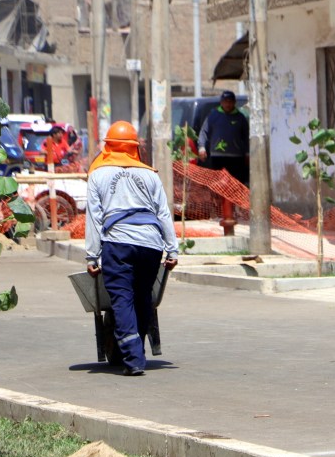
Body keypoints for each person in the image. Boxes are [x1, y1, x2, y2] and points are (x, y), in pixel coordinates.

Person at [85, 121, 179, 376]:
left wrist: (92, 255)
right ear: (135, 148)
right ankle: (137, 351)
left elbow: (94, 218)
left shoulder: (98, 175)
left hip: (118, 243)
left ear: (108, 147)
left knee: (122, 298)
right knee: (142, 296)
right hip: (151, 243)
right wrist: (172, 250)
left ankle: (134, 358)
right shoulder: (150, 175)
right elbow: (162, 212)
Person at [197, 90, 250, 185]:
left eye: (230, 101)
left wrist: (247, 153)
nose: (228, 104)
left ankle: (232, 200)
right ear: (221, 102)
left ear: (234, 103)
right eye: (225, 101)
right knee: (218, 184)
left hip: (236, 158)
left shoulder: (240, 118)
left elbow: (246, 136)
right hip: (218, 157)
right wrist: (202, 148)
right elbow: (204, 132)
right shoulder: (213, 116)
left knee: (235, 184)